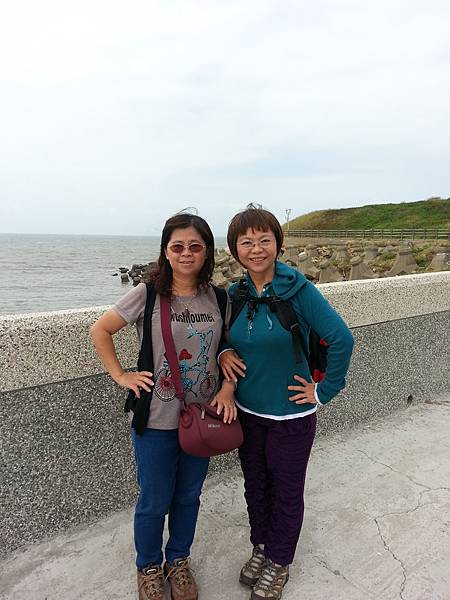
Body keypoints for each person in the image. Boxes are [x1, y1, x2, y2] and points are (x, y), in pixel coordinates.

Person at [90, 213, 236, 600]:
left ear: (207, 252)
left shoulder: (220, 298)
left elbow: (228, 347)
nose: (186, 253)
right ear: (166, 252)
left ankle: (179, 561)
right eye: (178, 246)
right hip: (155, 418)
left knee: (188, 496)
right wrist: (122, 375)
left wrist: (228, 385)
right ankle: (149, 567)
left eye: (195, 246)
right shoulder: (147, 294)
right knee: (154, 500)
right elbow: (100, 329)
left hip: (201, 420)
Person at [219, 206, 354, 600]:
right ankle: (261, 547)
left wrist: (323, 391)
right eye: (246, 242)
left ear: (278, 244)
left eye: (265, 240)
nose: (256, 249)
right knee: (256, 486)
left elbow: (342, 339)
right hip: (247, 413)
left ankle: (280, 560)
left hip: (292, 416)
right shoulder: (235, 294)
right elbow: (223, 337)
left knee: (286, 490)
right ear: (235, 250)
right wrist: (225, 352)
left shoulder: (299, 290)